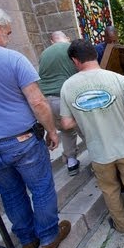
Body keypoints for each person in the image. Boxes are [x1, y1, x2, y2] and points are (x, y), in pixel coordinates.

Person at [0, 4, 71, 248]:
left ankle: (27, 239)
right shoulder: (11, 58)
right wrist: (52, 131)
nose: (7, 39)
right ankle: (48, 237)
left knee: (10, 193)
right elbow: (38, 102)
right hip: (21, 140)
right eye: (8, 33)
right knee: (41, 188)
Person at [60, 39, 124, 242]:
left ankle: (123, 226)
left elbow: (66, 124)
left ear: (75, 60)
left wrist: (85, 113)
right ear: (95, 54)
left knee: (110, 190)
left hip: (99, 151)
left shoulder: (67, 87)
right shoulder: (117, 79)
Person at [38, 30, 83, 176]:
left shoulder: (44, 54)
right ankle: (99, 163)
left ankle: (71, 162)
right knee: (86, 130)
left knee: (66, 130)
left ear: (51, 41)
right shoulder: (71, 48)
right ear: (67, 38)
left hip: (50, 100)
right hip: (70, 97)